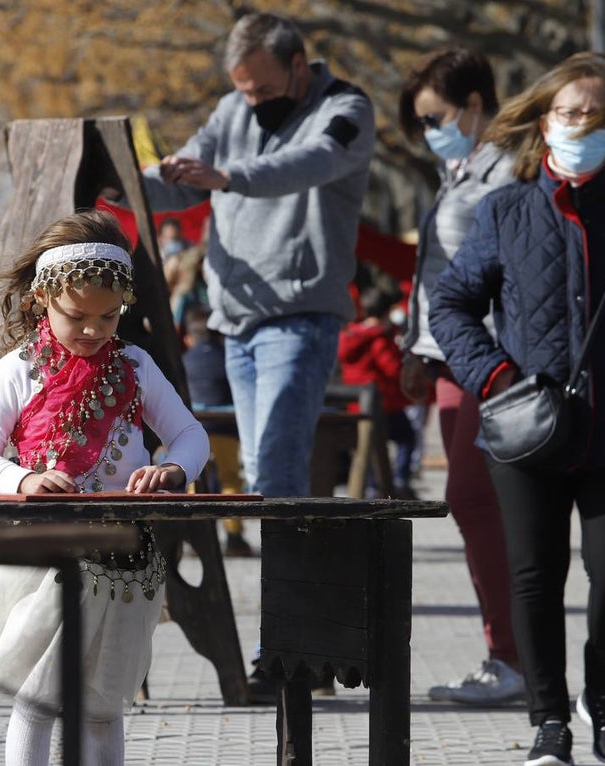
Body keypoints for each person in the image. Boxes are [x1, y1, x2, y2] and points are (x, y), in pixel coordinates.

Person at [429, 52, 605, 766]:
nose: (580, 125)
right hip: (527, 428)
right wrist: (494, 379)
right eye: (568, 112)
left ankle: (602, 695)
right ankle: (549, 719)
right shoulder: (506, 209)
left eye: (595, 115)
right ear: (543, 120)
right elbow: (452, 303)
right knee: (534, 574)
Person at [136, 11, 376, 701]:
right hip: (235, 324)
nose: (251, 102)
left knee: (274, 472)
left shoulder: (345, 111)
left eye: (264, 89)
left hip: (300, 319)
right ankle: (306, 649)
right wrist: (123, 178)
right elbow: (186, 179)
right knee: (273, 480)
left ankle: (291, 652)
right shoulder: (229, 110)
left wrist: (225, 175)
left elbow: (307, 165)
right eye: (242, 90)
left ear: (299, 66)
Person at [0, 210, 210, 766]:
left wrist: (174, 469)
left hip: (125, 561)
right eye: (77, 316)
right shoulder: (18, 369)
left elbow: (189, 434)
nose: (94, 330)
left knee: (103, 706)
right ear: (41, 300)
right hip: (44, 555)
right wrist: (24, 478)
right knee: (38, 700)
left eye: (109, 316)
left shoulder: (136, 365)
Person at [397, 47, 525, 705]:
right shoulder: (458, 171)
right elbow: (439, 273)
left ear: (474, 105)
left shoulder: (509, 172)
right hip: (449, 357)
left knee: (479, 502)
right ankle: (508, 655)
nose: (428, 132)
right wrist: (417, 348)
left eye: (435, 117)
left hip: (490, 358)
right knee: (475, 506)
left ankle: (516, 657)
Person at [181, 306, 251, 556]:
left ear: (188, 338)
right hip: (225, 428)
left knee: (194, 480)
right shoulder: (226, 358)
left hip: (194, 430)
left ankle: (196, 536)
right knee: (230, 478)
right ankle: (234, 536)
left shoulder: (185, 360)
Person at [337, 282, 416, 498]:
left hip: (355, 404)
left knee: (365, 447)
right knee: (406, 437)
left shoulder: (350, 334)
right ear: (386, 312)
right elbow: (390, 367)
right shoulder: (379, 338)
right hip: (383, 403)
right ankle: (399, 478)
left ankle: (373, 485)